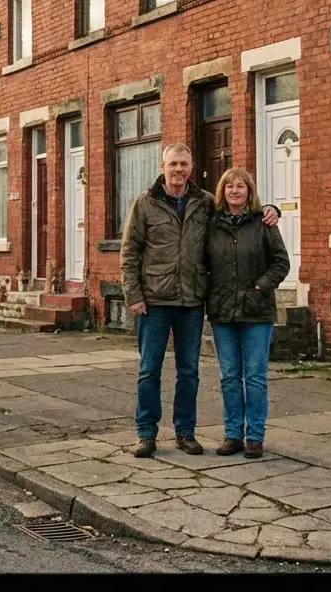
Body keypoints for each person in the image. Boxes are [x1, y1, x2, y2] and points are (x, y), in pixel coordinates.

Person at [120, 143, 278, 458]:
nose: (178, 169)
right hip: (153, 301)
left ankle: (185, 432)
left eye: (184, 164)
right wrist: (133, 295)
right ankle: (146, 434)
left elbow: (240, 214)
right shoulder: (144, 203)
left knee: (189, 371)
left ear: (192, 167)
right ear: (162, 165)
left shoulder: (206, 203)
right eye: (173, 163)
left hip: (192, 301)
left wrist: (272, 209)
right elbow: (129, 252)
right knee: (149, 369)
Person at [204, 166, 290, 459]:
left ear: (249, 191)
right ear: (222, 191)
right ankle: (232, 435)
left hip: (257, 311)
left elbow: (281, 263)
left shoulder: (264, 223)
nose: (235, 191)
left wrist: (259, 288)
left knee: (255, 376)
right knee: (229, 375)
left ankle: (254, 436)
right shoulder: (211, 224)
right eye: (229, 186)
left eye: (241, 186)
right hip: (222, 311)